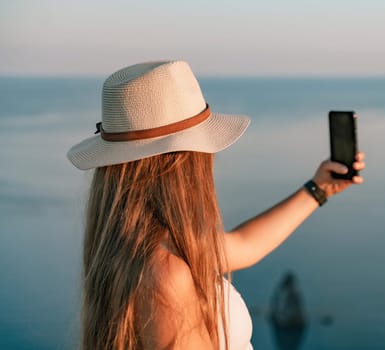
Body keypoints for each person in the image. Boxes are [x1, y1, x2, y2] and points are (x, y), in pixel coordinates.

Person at [67, 60, 365, 350]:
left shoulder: (147, 245)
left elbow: (243, 245)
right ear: (182, 162)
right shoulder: (167, 275)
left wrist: (319, 189)